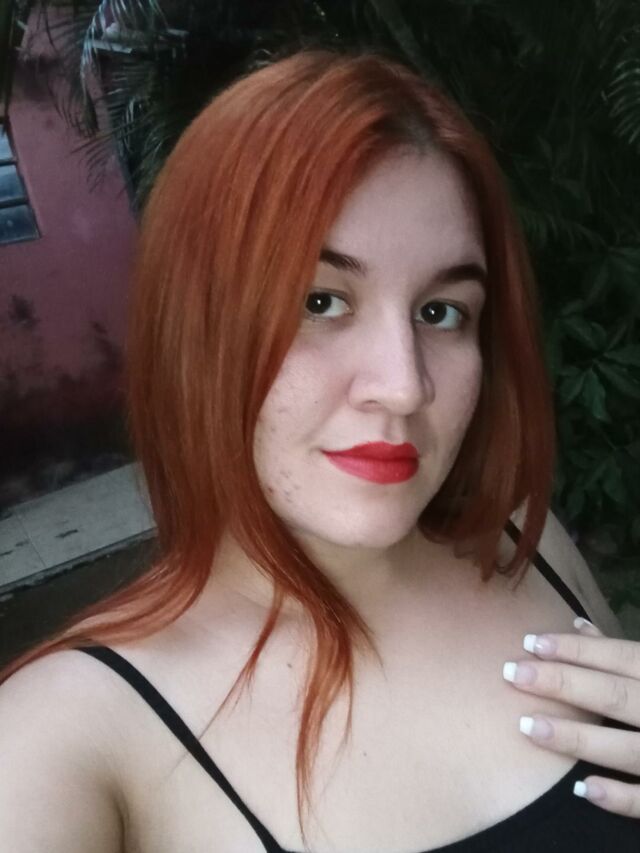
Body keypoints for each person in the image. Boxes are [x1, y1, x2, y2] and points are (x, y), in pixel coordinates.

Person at [0, 49, 638, 853]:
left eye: (441, 311)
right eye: (320, 299)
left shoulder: (527, 547)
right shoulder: (68, 738)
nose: (403, 386)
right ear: (195, 331)